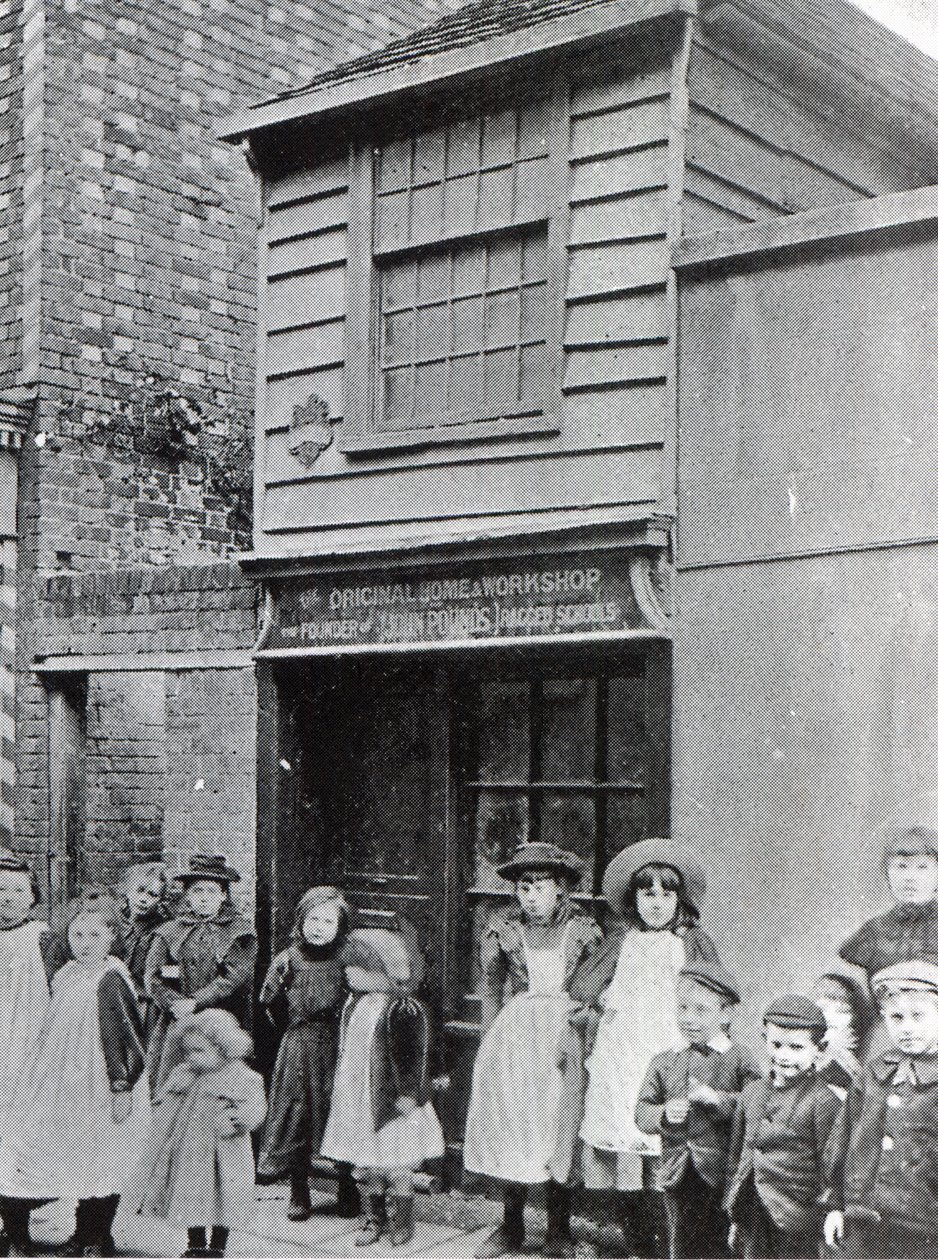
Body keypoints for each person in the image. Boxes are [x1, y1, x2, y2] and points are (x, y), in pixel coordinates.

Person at [572, 838, 719, 1258]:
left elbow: (712, 992)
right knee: (621, 1149)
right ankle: (628, 1242)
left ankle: (663, 1246)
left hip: (668, 1048)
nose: (656, 902)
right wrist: (601, 1006)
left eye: (666, 893)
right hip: (622, 1053)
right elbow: (584, 986)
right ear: (634, 899)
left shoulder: (690, 943)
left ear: (679, 899)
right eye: (647, 892)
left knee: (662, 1148)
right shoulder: (621, 943)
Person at [463, 842, 601, 1259]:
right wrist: (490, 1036)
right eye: (524, 888)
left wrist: (588, 1027)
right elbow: (490, 986)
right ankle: (511, 1225)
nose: (532, 896)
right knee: (515, 1127)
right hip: (516, 1036)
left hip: (565, 1036)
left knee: (559, 1128)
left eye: (542, 886)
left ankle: (558, 1229)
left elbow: (598, 983)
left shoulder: (581, 930)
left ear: (560, 889)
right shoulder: (504, 930)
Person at [0, 906, 150, 1258]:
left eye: (95, 936)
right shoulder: (66, 973)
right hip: (56, 1079)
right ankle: (16, 1235)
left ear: (113, 938)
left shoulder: (111, 977)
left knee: (100, 1155)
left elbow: (128, 1040)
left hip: (98, 1082)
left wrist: (121, 1086)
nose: (83, 944)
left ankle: (93, 1236)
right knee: (26, 1150)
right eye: (77, 935)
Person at [320, 921, 444, 1250]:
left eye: (356, 968)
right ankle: (373, 1216)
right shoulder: (353, 1005)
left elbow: (415, 1056)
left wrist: (409, 1094)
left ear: (381, 970)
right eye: (346, 967)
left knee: (396, 1162)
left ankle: (402, 1219)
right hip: (357, 1098)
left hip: (390, 1101)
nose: (347, 973)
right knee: (366, 1163)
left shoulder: (402, 1009)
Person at [635, 961, 760, 1260]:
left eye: (701, 1010)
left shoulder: (739, 1058)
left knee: (722, 1240)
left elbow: (757, 1105)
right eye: (683, 1008)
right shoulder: (664, 1061)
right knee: (681, 1238)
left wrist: (717, 1099)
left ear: (726, 1014)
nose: (689, 1019)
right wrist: (663, 1114)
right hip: (677, 1168)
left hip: (722, 1172)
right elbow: (642, 1112)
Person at [124, 1008, 267, 1259]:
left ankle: (218, 1245)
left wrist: (239, 1119)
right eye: (188, 1051)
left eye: (199, 1051)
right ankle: (196, 1243)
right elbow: (165, 1104)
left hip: (226, 1153)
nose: (192, 1058)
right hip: (191, 1151)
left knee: (226, 1197)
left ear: (224, 1048)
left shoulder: (242, 1077)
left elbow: (256, 1107)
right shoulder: (185, 1075)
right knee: (191, 1195)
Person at [823, 959, 938, 1259]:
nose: (907, 1028)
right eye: (897, 1017)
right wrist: (835, 1204)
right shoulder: (872, 1074)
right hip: (861, 1217)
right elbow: (842, 1140)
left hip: (923, 1226)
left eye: (918, 1016)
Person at [257, 886, 357, 1221]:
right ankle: (299, 1189)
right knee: (297, 1114)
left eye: (328, 921)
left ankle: (346, 1185)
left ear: (340, 926)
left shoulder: (348, 958)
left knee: (338, 1111)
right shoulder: (287, 960)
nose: (318, 927)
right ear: (300, 921)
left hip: (337, 1045)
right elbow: (269, 1003)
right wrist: (294, 1029)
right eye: (312, 919)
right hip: (299, 1044)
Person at [725, 996, 841, 1259]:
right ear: (764, 1038)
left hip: (797, 1217)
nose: (783, 1056)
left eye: (796, 1048)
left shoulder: (823, 1101)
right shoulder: (752, 1093)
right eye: (776, 1044)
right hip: (753, 1211)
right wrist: (735, 1212)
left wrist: (828, 1213)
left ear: (819, 1049)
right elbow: (739, 1155)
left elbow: (832, 1167)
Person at [144, 853, 257, 1091]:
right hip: (176, 1020)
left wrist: (195, 1002)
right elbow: (153, 977)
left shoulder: (239, 932)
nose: (204, 899)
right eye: (197, 891)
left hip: (222, 1018)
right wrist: (174, 1004)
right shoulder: (169, 932)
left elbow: (233, 977)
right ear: (187, 895)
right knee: (173, 1078)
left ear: (223, 895)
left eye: (211, 892)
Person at [839, 825, 938, 986]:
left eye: (922, 867)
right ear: (887, 872)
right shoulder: (872, 931)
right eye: (901, 866)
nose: (910, 877)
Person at [0, 853, 54, 1135]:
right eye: (1, 889)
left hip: (26, 1027)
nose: (8, 897)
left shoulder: (41, 937)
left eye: (19, 890)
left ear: (32, 897)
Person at [118, 862, 169, 1043]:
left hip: (145, 1005)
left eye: (152, 894)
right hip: (115, 1000)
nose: (143, 899)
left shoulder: (164, 930)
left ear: (160, 900)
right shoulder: (116, 924)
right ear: (127, 891)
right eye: (139, 891)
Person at [811, 973, 867, 1093]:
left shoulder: (848, 1066)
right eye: (823, 1009)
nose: (831, 1017)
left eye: (842, 1011)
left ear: (854, 1018)